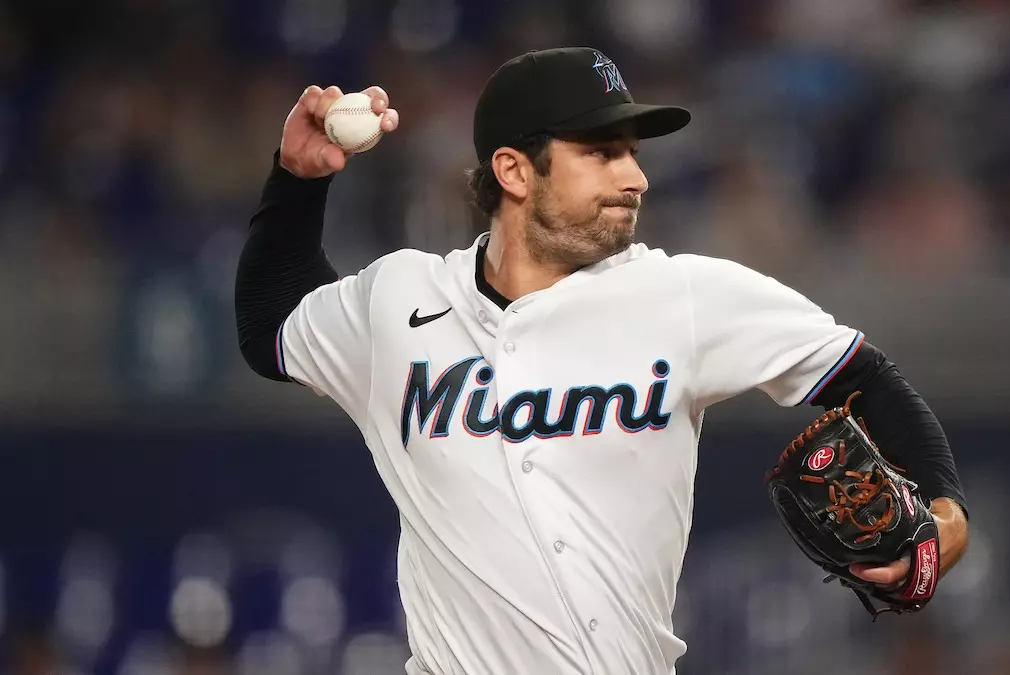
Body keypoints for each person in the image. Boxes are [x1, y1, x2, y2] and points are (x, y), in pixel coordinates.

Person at [235, 47, 969, 675]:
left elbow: (863, 375)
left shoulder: (682, 298)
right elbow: (271, 329)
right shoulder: (398, 300)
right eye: (600, 152)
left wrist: (944, 516)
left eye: (633, 153)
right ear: (515, 170)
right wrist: (298, 180)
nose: (635, 178)